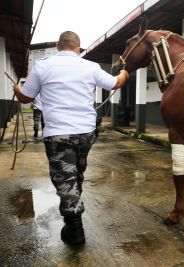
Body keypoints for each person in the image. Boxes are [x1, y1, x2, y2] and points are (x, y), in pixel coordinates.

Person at [13, 31, 129, 245]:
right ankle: (72, 217)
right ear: (78, 48)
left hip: (59, 133)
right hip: (86, 133)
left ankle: (75, 231)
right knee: (75, 175)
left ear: (58, 46)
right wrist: (124, 72)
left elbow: (26, 98)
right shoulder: (91, 67)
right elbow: (115, 84)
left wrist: (18, 90)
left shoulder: (42, 66)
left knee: (66, 179)